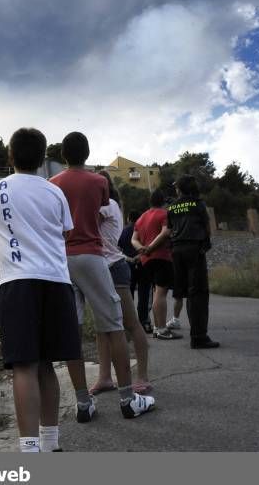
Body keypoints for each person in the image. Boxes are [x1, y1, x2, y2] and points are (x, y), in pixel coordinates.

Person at [0, 127, 82, 452]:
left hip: (17, 284)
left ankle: (29, 449)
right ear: (42, 159)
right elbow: (65, 234)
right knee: (49, 364)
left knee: (24, 366)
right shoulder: (55, 192)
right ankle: (51, 442)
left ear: (10, 156)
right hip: (56, 281)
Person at [50, 132, 155, 422]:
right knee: (113, 325)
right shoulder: (98, 182)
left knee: (72, 329)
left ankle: (83, 404)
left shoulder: (52, 184)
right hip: (92, 257)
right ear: (87, 153)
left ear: (62, 155)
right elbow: (99, 208)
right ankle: (127, 399)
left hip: (62, 260)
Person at [89, 171, 151, 395]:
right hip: (101, 269)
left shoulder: (107, 205)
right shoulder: (110, 204)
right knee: (101, 328)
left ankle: (142, 376)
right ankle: (104, 377)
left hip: (114, 268)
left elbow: (85, 224)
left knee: (131, 323)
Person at [163, 174, 219, 349]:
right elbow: (208, 228)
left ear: (180, 188)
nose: (176, 189)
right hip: (194, 250)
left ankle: (196, 336)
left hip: (177, 252)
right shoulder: (198, 204)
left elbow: (170, 230)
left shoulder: (171, 207)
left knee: (186, 293)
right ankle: (199, 337)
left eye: (177, 187)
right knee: (199, 293)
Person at [132, 189, 182, 340]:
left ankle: (156, 327)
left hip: (146, 261)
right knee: (161, 293)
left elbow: (133, 239)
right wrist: (151, 248)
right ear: (163, 202)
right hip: (161, 257)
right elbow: (165, 232)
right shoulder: (164, 214)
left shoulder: (141, 218)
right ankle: (162, 329)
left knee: (155, 293)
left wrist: (141, 249)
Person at [120, 211, 153, 334]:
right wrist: (139, 256)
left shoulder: (123, 231)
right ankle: (144, 322)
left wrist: (129, 258)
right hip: (143, 263)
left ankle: (129, 324)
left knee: (128, 295)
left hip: (128, 265)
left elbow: (119, 248)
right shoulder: (142, 228)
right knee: (144, 294)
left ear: (128, 218)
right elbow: (149, 244)